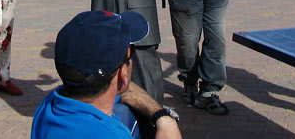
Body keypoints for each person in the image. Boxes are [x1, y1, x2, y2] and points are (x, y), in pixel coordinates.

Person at [31, 11, 182, 139]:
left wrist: (161, 115)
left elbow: (123, 89)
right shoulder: (113, 135)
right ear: (123, 73)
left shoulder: (51, 103)